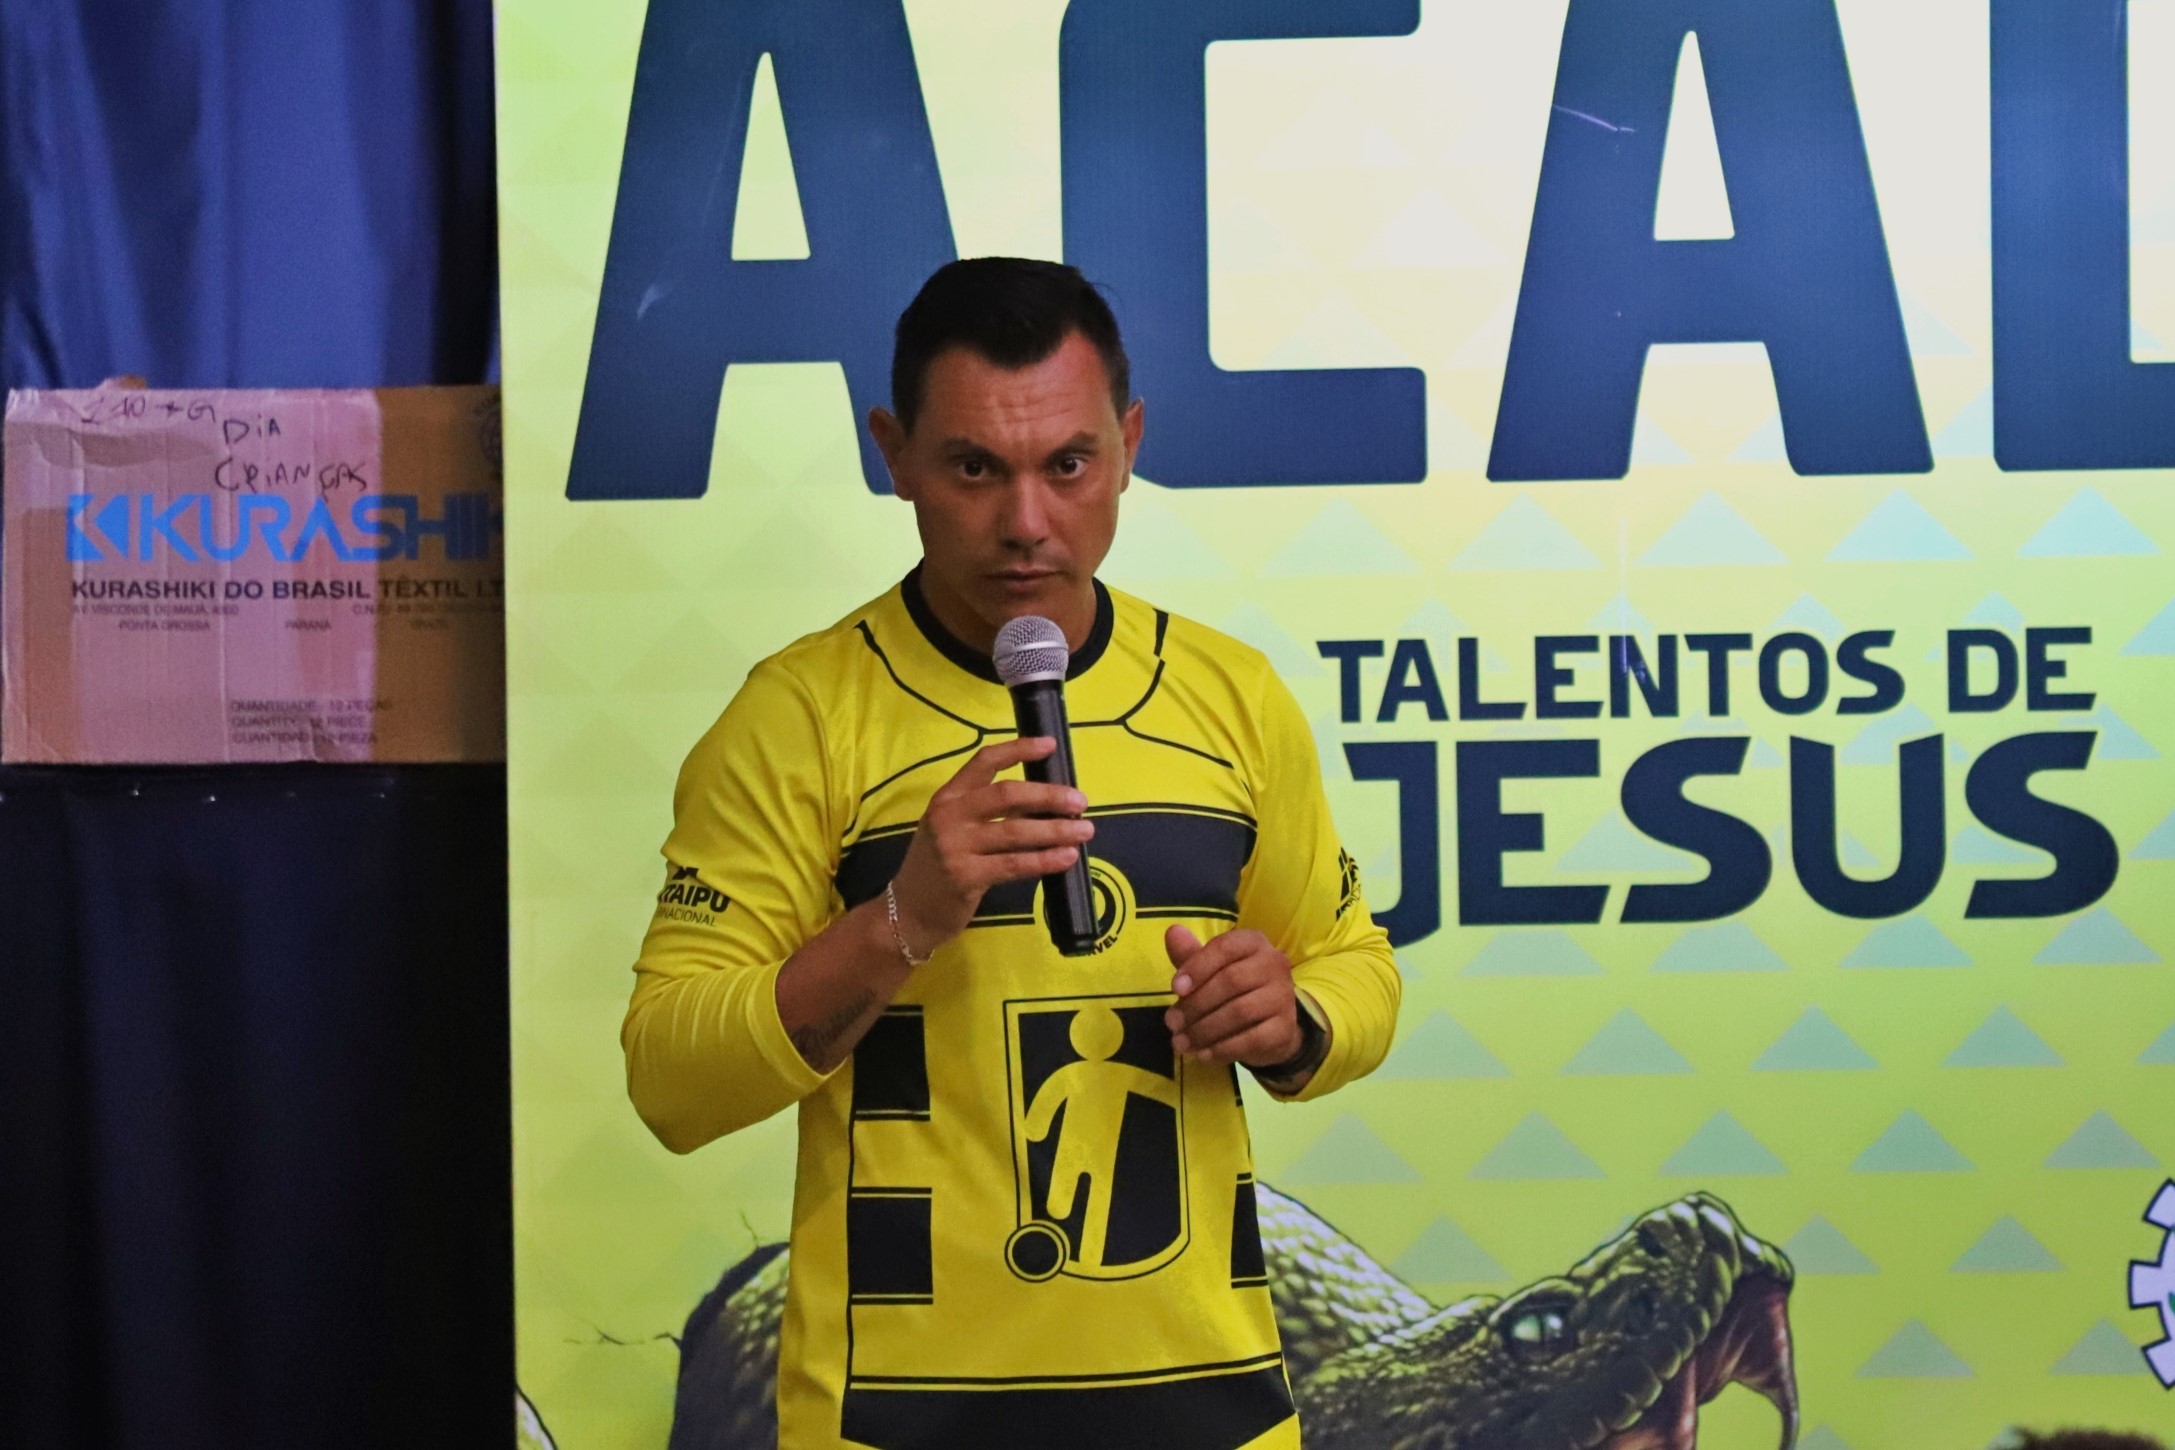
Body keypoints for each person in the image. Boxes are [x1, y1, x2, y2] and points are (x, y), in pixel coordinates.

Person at [622, 257, 1401, 1450]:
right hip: (897, 1421)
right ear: (894, 455)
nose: (1026, 521)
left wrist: (1293, 1017)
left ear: (1129, 445)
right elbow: (672, 1079)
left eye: (1068, 465)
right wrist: (899, 923)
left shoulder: (1233, 696)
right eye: (975, 468)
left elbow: (1357, 964)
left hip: (1211, 1414)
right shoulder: (799, 717)